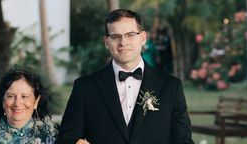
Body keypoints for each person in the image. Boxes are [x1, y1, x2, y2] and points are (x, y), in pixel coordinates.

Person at [57, 9, 194, 144]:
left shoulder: (171, 86)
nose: (123, 42)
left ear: (143, 38)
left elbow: (183, 141)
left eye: (130, 35)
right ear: (106, 42)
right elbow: (66, 139)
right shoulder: (85, 87)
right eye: (115, 36)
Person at [0, 68, 58, 144]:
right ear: (3, 100)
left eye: (24, 97)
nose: (17, 103)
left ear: (36, 101)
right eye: (11, 96)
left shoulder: (53, 132)